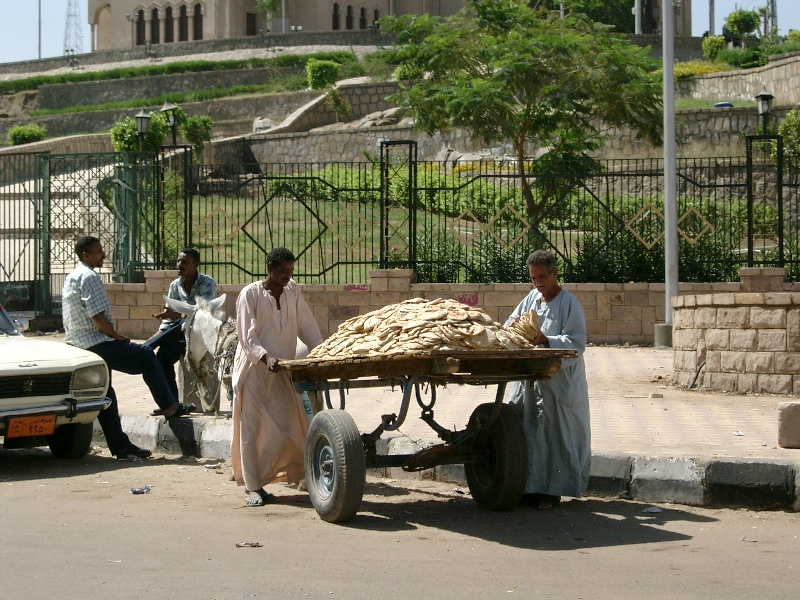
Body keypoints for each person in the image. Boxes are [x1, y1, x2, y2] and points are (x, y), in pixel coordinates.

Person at [62, 236, 195, 460]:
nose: (103, 255)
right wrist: (116, 336)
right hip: (96, 343)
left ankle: (120, 447)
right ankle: (170, 406)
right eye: (98, 252)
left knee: (107, 394)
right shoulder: (88, 276)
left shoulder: (74, 275)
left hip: (79, 344)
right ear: (86, 255)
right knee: (145, 355)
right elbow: (96, 316)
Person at [231, 247, 323, 507]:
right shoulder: (250, 294)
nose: (287, 276)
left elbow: (307, 326)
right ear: (270, 268)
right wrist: (265, 357)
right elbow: (247, 337)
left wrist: (323, 351)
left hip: (283, 369)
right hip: (254, 372)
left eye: (291, 271)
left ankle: (290, 473)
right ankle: (253, 487)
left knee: (287, 425)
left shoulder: (293, 291)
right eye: (283, 271)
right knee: (252, 428)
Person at [505, 250, 591, 510]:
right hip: (531, 379)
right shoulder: (532, 298)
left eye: (543, 276)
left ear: (555, 273)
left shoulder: (569, 303)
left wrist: (546, 340)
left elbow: (576, 342)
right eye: (533, 278)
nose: (538, 282)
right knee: (527, 428)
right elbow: (510, 322)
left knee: (556, 434)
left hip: (559, 381)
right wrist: (516, 326)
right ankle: (529, 487)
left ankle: (553, 491)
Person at [149, 248, 218, 403]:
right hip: (180, 333)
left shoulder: (207, 284)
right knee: (161, 359)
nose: (179, 265)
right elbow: (168, 317)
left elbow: (202, 312)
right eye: (178, 261)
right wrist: (160, 332)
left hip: (200, 333)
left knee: (179, 324)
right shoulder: (175, 285)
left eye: (185, 262)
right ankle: (171, 403)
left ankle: (147, 347)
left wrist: (177, 315)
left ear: (196, 265)